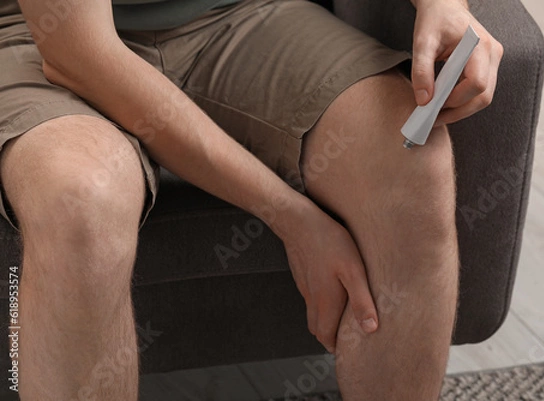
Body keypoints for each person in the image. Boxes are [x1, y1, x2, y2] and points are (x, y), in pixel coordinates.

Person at [0, 0, 503, 399]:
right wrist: (295, 220)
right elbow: (81, 56)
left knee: (411, 164)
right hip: (40, 32)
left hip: (238, 14)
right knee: (82, 202)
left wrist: (443, 3)